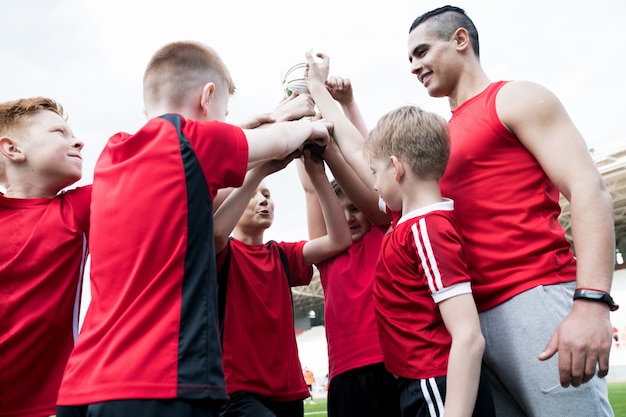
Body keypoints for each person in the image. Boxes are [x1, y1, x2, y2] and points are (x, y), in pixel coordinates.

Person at [56, 40, 332, 417]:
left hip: (84, 383)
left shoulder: (114, 155)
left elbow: (204, 164)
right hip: (160, 380)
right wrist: (314, 127)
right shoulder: (186, 137)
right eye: (224, 113)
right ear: (208, 97)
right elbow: (279, 140)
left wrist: (261, 120)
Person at [407, 6, 616, 416]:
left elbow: (589, 190)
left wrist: (592, 302)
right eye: (410, 59)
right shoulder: (439, 138)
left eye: (421, 52)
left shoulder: (514, 97)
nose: (414, 66)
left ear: (460, 40)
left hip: (532, 299)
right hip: (471, 325)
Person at [306, 53, 495, 417]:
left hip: (436, 384)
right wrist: (318, 89)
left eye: (374, 172)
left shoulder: (425, 229)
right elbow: (356, 148)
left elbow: (468, 337)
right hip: (418, 382)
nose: (369, 180)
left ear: (395, 169)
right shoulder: (408, 220)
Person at [213, 147, 351, 417]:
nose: (263, 199)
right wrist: (260, 169)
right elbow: (217, 232)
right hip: (239, 392)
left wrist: (318, 174)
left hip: (289, 391)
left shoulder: (282, 254)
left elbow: (338, 240)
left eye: (267, 194)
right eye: (252, 194)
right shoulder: (222, 253)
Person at [296, 76, 400, 417]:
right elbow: (314, 188)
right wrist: (301, 123)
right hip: (345, 372)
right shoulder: (328, 253)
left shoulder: (382, 235)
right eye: (342, 213)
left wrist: (347, 104)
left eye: (356, 208)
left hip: (394, 363)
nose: (352, 217)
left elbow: (371, 165)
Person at [0, 97, 90, 417]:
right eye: (59, 132)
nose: (78, 141)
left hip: (50, 407)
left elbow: (166, 174)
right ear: (12, 149)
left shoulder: (78, 210)